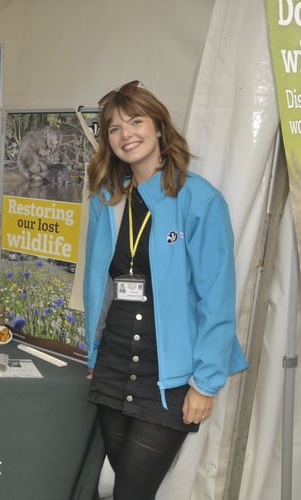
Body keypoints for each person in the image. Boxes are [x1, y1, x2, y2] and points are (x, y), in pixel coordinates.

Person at [82, 80, 249, 500]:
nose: (126, 135)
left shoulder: (200, 200)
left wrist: (206, 383)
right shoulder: (109, 198)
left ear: (159, 128)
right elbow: (101, 282)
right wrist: (96, 349)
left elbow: (218, 299)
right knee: (126, 486)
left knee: (131, 492)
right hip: (116, 363)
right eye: (114, 128)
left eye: (135, 121)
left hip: (171, 375)